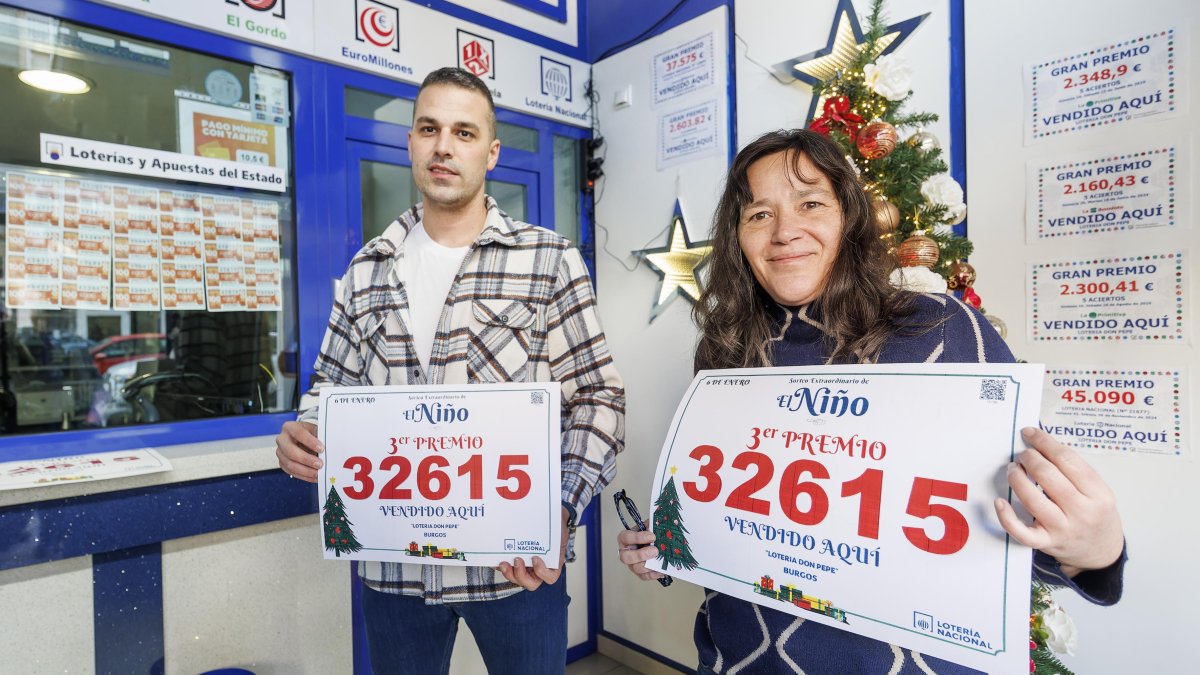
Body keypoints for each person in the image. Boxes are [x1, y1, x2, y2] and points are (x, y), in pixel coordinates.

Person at [617, 129, 1125, 674]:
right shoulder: (724, 352)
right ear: (737, 236)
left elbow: (1025, 521)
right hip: (740, 658)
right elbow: (736, 525)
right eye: (758, 214)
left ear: (851, 219)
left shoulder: (942, 329)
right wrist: (670, 546)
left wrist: (1096, 552)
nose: (785, 232)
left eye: (811, 203)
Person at [276, 67, 625, 675]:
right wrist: (304, 434)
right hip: (395, 573)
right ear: (410, 142)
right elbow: (328, 394)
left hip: (515, 573)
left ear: (490, 153)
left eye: (464, 132)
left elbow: (598, 399)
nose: (443, 145)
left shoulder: (549, 260)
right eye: (429, 128)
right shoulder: (367, 270)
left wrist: (561, 510)